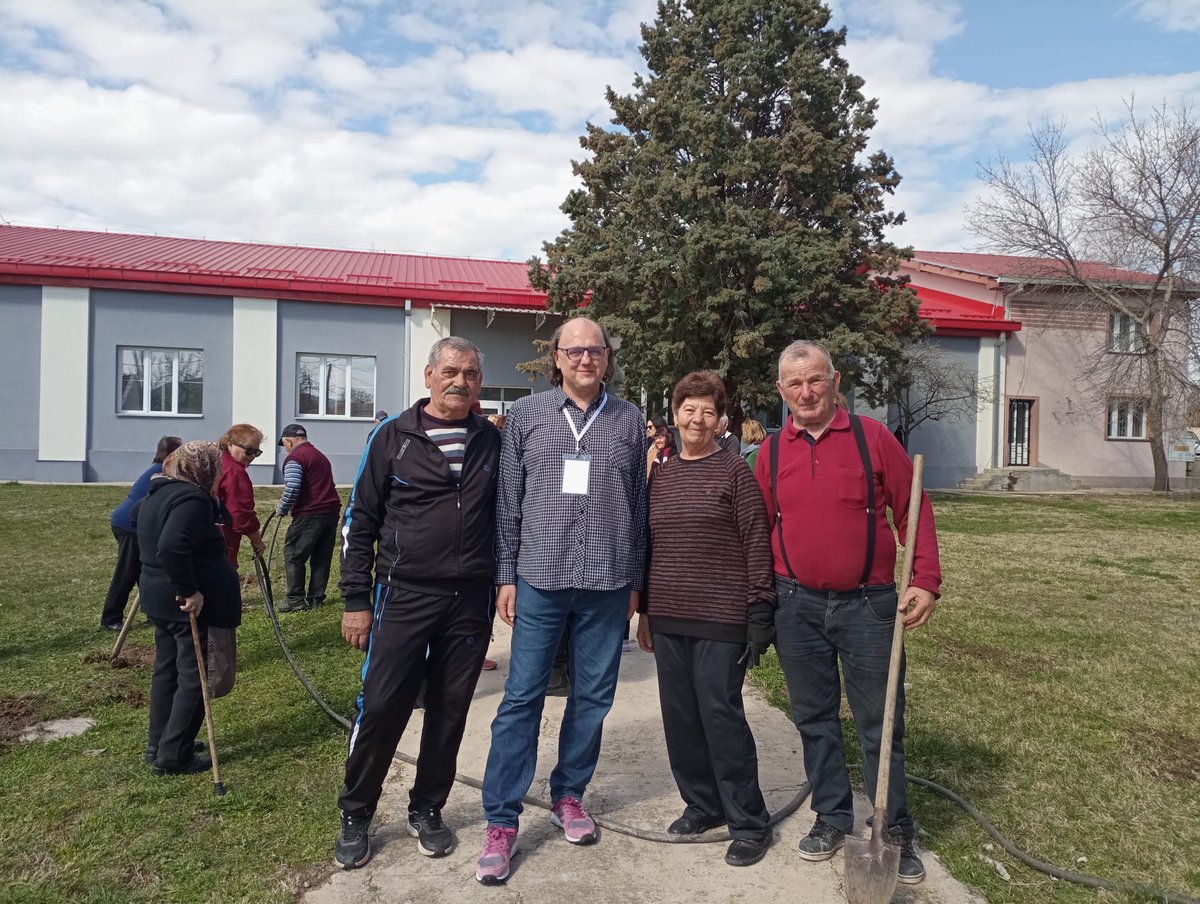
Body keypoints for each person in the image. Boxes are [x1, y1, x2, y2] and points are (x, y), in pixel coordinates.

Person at [754, 339, 940, 885]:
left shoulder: (872, 438)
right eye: (795, 383)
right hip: (797, 606)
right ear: (781, 391)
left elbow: (913, 508)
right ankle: (832, 816)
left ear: (835, 381)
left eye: (816, 380)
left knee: (881, 722)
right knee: (813, 718)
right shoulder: (769, 452)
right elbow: (759, 526)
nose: (806, 392)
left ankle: (894, 827)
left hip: (869, 605)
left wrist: (925, 580)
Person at [475, 316, 647, 886]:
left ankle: (569, 794)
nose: (584, 359)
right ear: (556, 357)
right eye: (573, 351)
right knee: (522, 696)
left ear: (606, 357)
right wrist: (505, 576)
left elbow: (639, 509)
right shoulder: (524, 417)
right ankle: (501, 819)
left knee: (593, 696)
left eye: (594, 350)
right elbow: (507, 502)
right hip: (540, 577)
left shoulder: (628, 420)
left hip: (606, 580)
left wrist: (636, 584)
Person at [333, 337, 501, 869]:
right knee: (382, 706)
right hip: (402, 595)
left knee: (451, 712)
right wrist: (356, 598)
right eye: (451, 371)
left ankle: (427, 808)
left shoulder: (491, 440)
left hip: (469, 598)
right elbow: (359, 521)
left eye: (471, 373)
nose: (461, 381)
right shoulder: (393, 436)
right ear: (429, 375)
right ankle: (357, 812)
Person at [637, 371, 775, 868]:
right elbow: (651, 547)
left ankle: (749, 822)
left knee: (721, 717)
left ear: (722, 421)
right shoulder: (662, 474)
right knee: (681, 718)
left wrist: (760, 610)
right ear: (675, 416)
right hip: (670, 615)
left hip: (721, 616)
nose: (698, 419)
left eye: (708, 411)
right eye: (689, 409)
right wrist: (647, 612)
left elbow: (757, 540)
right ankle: (702, 804)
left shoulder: (735, 471)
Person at [135, 441, 241, 775]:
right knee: (194, 677)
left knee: (166, 671)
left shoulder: (159, 491)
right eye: (217, 465)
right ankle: (174, 755)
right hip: (186, 604)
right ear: (202, 467)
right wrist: (190, 591)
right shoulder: (190, 500)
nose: (220, 472)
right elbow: (170, 546)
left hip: (159, 597)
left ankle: (161, 743)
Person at [100, 435, 182, 630]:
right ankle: (110, 618)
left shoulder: (161, 469)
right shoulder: (163, 471)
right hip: (129, 525)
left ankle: (153, 612)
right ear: (172, 453)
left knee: (146, 570)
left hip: (136, 525)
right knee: (127, 572)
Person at [276, 424, 342, 612]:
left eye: (285, 444)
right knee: (321, 557)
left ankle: (295, 601)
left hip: (310, 513)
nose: (286, 449)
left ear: (289, 440)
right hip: (330, 512)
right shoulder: (320, 456)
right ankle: (316, 598)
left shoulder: (295, 458)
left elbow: (293, 487)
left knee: (294, 555)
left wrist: (282, 508)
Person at [216, 424, 266, 569]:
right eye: (249, 450)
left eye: (257, 452)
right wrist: (257, 540)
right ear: (230, 445)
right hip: (222, 538)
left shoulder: (218, 462)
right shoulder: (234, 472)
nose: (252, 456)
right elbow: (240, 513)